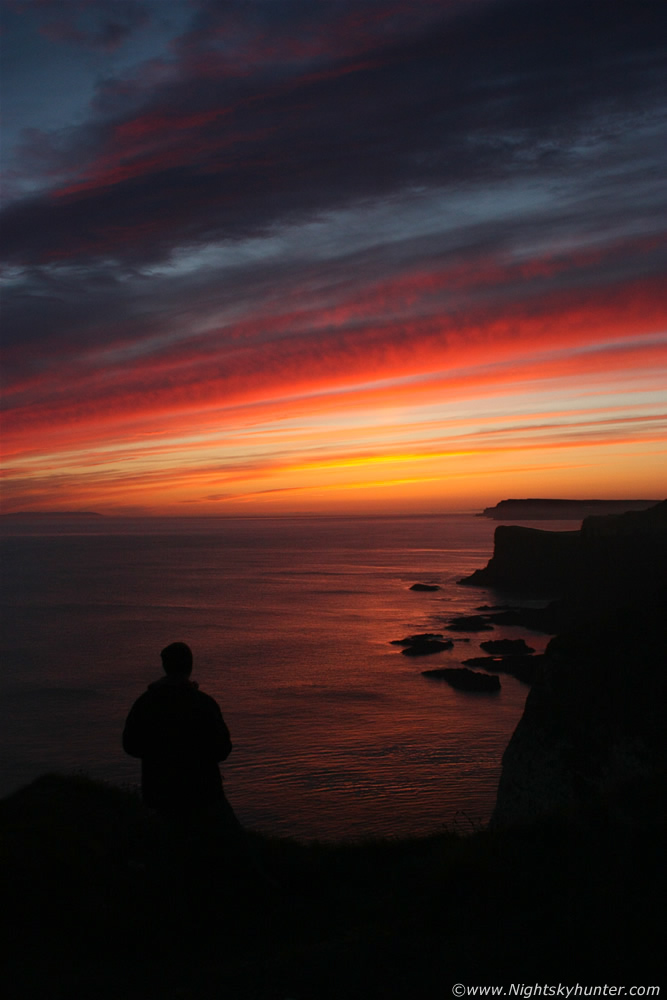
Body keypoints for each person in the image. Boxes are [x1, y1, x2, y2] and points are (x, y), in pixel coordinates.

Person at [122, 642, 234, 824]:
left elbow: (130, 744)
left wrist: (158, 754)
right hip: (203, 794)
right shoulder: (204, 703)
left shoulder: (146, 702)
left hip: (159, 794)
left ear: (165, 666)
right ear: (190, 666)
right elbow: (223, 748)